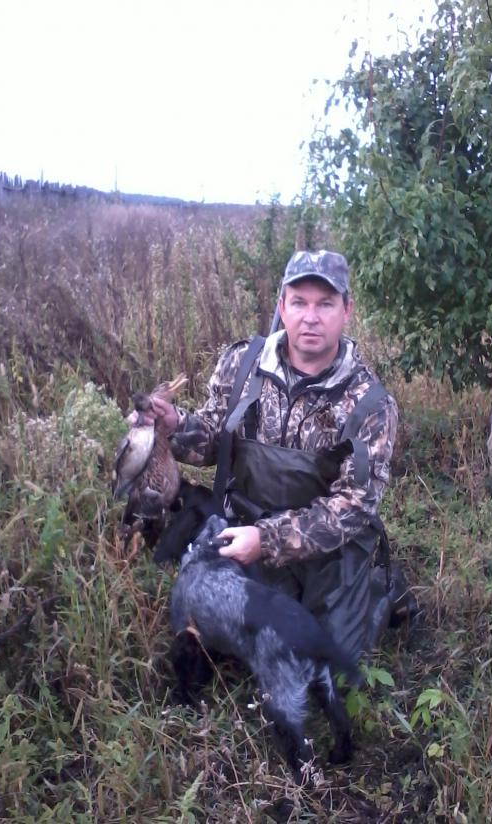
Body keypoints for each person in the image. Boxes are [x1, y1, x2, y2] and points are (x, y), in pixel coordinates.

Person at [144, 250, 398, 663]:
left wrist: (267, 540)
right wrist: (173, 425)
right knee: (212, 637)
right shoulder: (242, 363)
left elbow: (354, 508)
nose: (310, 317)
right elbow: (213, 440)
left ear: (346, 311)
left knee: (324, 665)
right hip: (244, 526)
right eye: (299, 302)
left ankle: (379, 590)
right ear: (282, 306)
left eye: (325, 304)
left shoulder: (370, 403)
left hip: (326, 552)